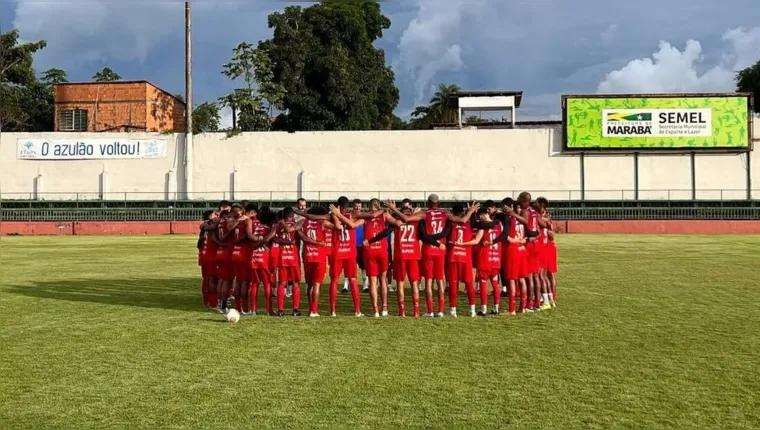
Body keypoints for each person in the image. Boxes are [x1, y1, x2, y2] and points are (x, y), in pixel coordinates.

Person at [385, 195, 477, 317]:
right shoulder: (445, 213)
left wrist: (394, 209)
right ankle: (440, 310)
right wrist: (470, 211)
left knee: (428, 282)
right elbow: (462, 220)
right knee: (440, 281)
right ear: (438, 203)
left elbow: (406, 219)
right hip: (440, 251)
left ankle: (429, 311)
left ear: (428, 202)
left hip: (427, 250)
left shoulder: (425, 213)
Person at [299, 197, 363, 317]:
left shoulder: (331, 217)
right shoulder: (353, 215)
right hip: (349, 252)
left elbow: (320, 221)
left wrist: (335, 214)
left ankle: (332, 310)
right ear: (348, 206)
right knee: (353, 280)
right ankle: (357, 311)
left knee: (334, 280)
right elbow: (355, 223)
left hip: (336, 252)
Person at [341, 198, 396, 317]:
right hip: (382, 249)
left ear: (369, 207)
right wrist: (394, 209)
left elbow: (352, 225)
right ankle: (385, 307)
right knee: (383, 279)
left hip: (370, 251)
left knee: (372, 281)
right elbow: (397, 223)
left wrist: (338, 215)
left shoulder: (365, 218)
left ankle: (375, 310)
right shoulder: (384, 214)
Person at [444, 204, 483, 317]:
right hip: (466, 256)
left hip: (453, 256)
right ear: (463, 212)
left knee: (453, 284)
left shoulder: (450, 223)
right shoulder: (470, 223)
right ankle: (472, 310)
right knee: (469, 284)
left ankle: (453, 311)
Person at [299, 206, 333, 317]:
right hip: (319, 256)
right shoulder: (323, 223)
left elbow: (296, 230)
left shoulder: (304, 222)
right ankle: (314, 310)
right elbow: (338, 227)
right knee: (316, 285)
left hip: (307, 256)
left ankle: (310, 310)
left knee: (309, 285)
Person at [473, 207, 507, 315]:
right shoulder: (499, 225)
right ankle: (496, 308)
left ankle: (483, 310)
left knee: (483, 284)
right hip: (496, 259)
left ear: (482, 215)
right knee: (495, 284)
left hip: (485, 259)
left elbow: (476, 240)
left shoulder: (483, 227)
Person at [247, 209, 278, 315]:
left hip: (254, 257)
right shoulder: (269, 229)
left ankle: (253, 310)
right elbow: (271, 241)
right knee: (267, 284)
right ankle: (269, 309)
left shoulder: (255, 228)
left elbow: (251, 240)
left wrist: (255, 246)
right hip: (265, 259)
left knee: (254, 284)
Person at [537, 197, 558, 307]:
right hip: (547, 246)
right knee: (547, 274)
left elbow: (552, 235)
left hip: (547, 246)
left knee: (545, 274)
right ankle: (550, 298)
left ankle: (550, 298)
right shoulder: (545, 217)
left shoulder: (543, 217)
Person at [198, 209, 216, 308]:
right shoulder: (209, 226)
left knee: (206, 278)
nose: (216, 216)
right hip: (210, 256)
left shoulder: (204, 226)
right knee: (211, 279)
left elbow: (199, 243)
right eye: (214, 214)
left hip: (204, 255)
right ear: (210, 216)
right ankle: (212, 302)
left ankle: (207, 300)